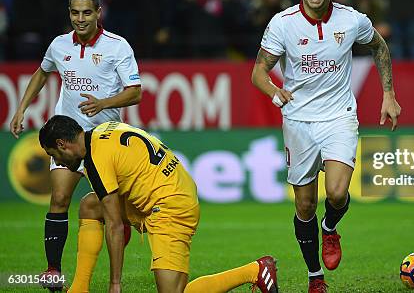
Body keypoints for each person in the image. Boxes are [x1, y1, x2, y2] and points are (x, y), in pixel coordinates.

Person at [251, 0, 401, 293]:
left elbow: (379, 47)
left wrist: (388, 94)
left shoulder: (351, 20)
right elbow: (258, 71)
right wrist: (275, 91)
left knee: (335, 192)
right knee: (304, 204)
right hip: (298, 120)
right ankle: (315, 277)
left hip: (338, 116)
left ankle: (330, 228)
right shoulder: (283, 23)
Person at [38, 115, 279, 293]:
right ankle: (79, 289)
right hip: (162, 191)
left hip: (171, 205)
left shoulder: (96, 160)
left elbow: (113, 226)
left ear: (62, 144)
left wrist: (115, 284)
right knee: (90, 205)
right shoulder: (104, 129)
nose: (56, 161)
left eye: (54, 154)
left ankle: (255, 270)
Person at [9, 0, 142, 290]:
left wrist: (103, 104)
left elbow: (135, 92)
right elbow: (42, 73)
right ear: (69, 12)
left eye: (86, 12)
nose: (80, 19)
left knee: (112, 214)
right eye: (74, 12)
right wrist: (21, 109)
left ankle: (115, 280)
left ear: (98, 12)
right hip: (67, 140)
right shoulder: (59, 45)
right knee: (58, 198)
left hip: (103, 142)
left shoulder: (118, 46)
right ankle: (53, 271)